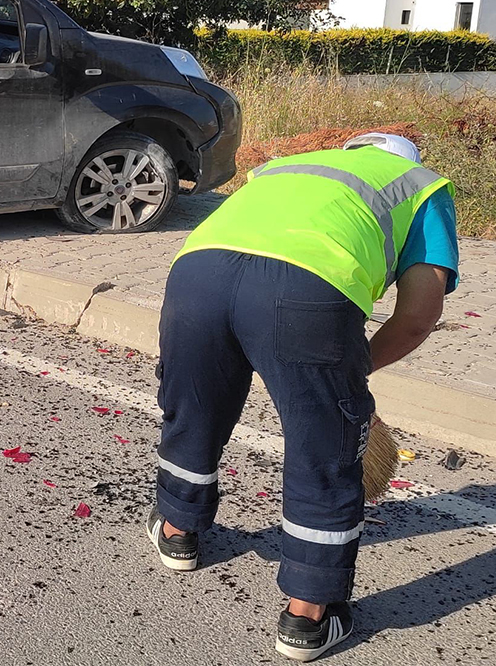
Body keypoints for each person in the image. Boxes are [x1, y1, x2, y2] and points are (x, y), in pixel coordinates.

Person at [144, 133, 458, 662]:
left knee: (194, 410)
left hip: (195, 275)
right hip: (304, 294)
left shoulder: (286, 166)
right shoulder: (421, 185)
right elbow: (419, 312)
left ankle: (177, 531)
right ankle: (309, 618)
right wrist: (356, 373)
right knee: (324, 450)